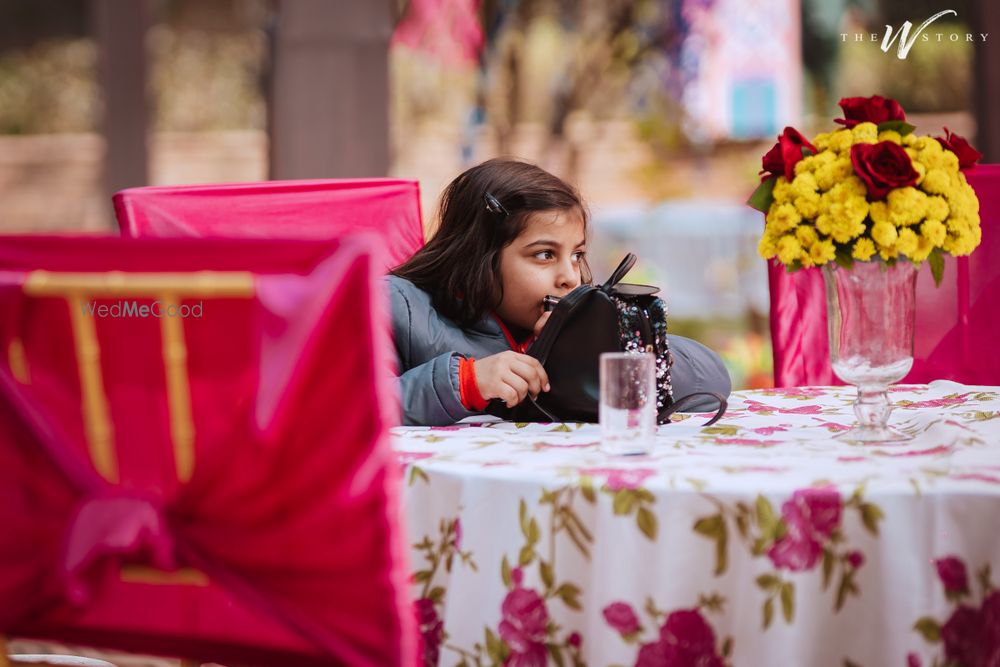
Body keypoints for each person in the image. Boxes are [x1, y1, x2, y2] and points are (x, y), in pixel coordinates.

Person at [388, 158, 731, 426]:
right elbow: (345, 412)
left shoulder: (575, 330)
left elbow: (713, 382)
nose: (570, 277)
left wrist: (608, 347)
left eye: (577, 255)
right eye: (545, 255)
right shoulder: (398, 306)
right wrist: (464, 383)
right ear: (477, 255)